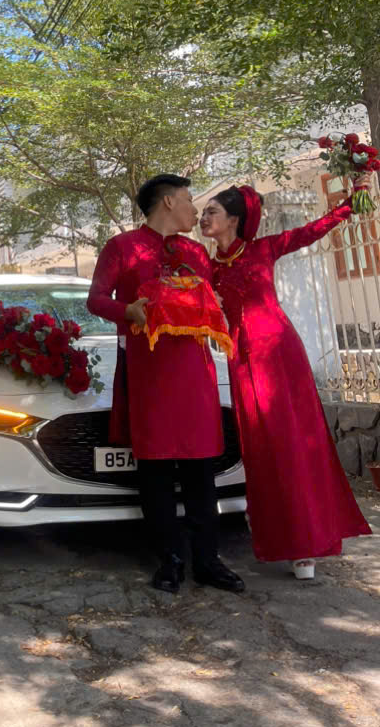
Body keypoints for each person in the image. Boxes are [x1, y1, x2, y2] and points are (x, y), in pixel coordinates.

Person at [201, 185, 371, 580]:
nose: (204, 219)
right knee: (260, 446)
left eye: (211, 211)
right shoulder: (209, 267)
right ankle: (276, 532)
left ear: (233, 219)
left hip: (278, 352)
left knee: (292, 441)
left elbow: (313, 230)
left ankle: (306, 543)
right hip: (241, 358)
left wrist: (348, 203)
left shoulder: (264, 248)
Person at [87, 173, 244, 594]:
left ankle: (208, 560)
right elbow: (96, 299)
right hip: (149, 375)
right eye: (191, 201)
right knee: (155, 472)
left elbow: (222, 298)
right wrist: (129, 312)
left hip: (196, 375)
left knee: (200, 471)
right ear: (170, 201)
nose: (196, 209)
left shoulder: (197, 251)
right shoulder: (122, 247)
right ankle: (169, 561)